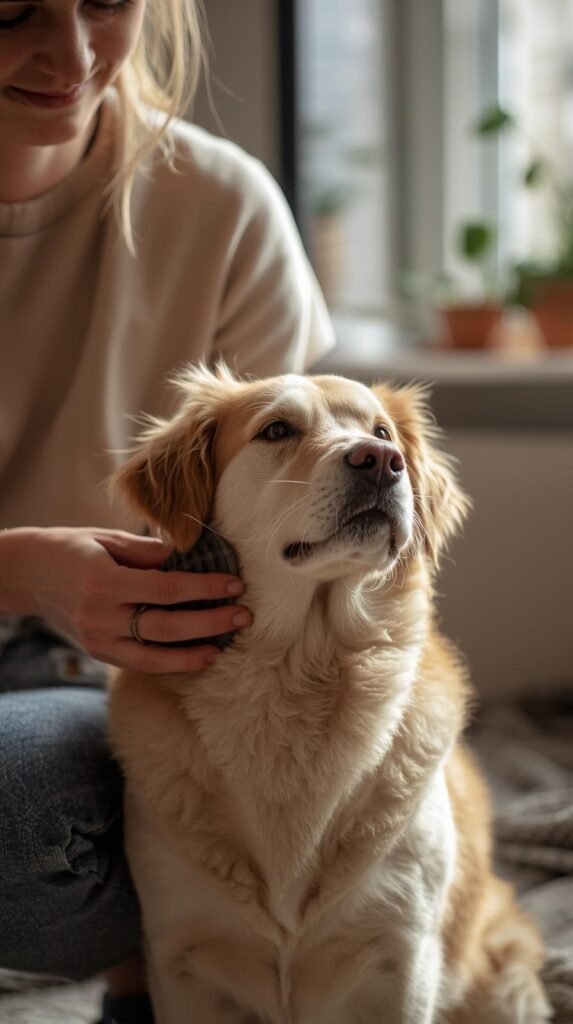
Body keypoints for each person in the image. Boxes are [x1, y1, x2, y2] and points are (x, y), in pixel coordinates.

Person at [0, 2, 334, 1021]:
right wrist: (20, 569)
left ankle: (150, 965)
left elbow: (299, 536)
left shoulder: (221, 208)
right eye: (12, 11)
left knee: (39, 821)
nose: (74, 55)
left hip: (102, 687)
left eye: (105, 0)